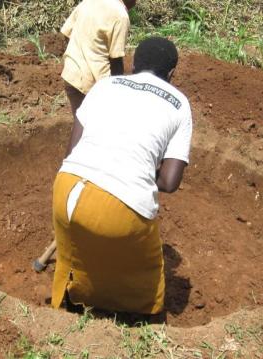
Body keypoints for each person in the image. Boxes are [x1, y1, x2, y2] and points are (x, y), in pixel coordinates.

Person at [51, 37, 193, 315]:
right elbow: (169, 182)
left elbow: (72, 150)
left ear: (133, 64)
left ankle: (72, 301)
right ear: (172, 74)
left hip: (65, 190)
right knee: (146, 275)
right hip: (120, 207)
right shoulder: (179, 104)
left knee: (77, 254)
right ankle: (139, 320)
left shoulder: (104, 85)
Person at [60, 0, 137, 119]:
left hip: (71, 75)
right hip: (95, 85)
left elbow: (67, 33)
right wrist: (117, 92)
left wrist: (82, 54)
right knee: (100, 127)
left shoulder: (89, 1)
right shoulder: (121, 15)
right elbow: (116, 60)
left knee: (80, 124)